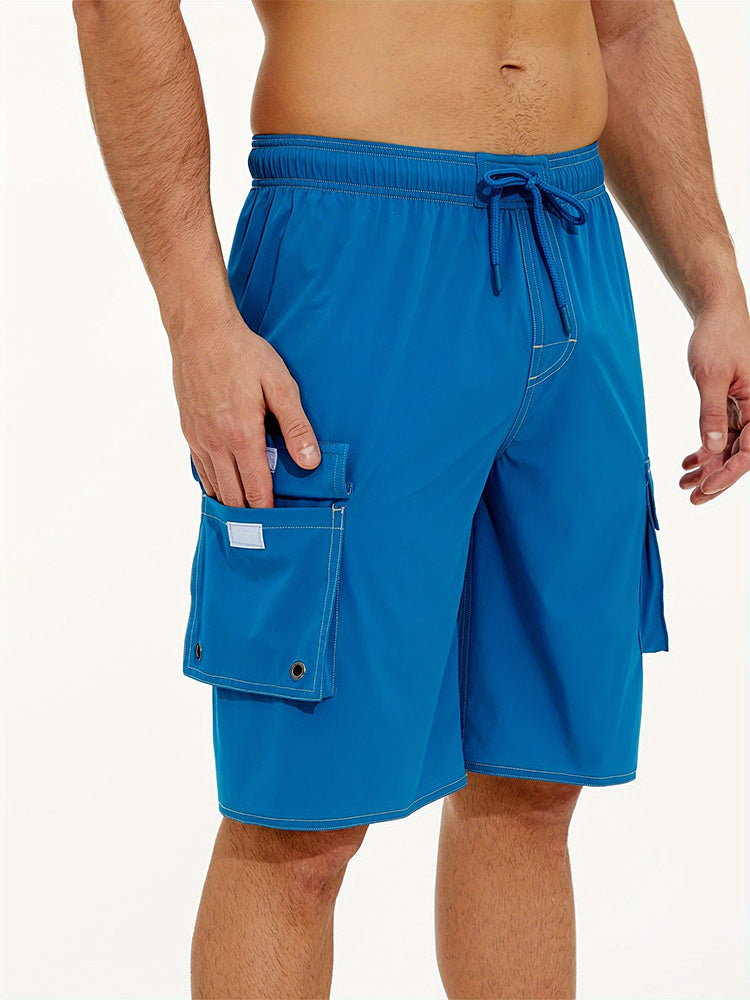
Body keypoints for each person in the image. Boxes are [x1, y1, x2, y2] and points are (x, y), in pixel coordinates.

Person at [72, 2, 749, 998]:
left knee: (532, 785)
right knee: (300, 823)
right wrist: (196, 321)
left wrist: (716, 285)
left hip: (570, 245)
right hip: (356, 244)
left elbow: (632, 23)